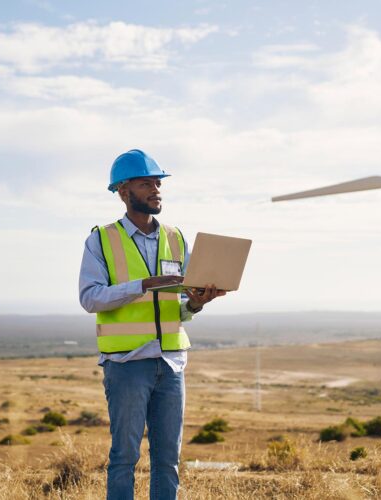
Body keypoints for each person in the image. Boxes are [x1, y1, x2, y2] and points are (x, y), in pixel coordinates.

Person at [79, 149, 225, 500]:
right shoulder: (101, 239)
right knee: (124, 457)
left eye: (158, 183)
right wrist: (143, 285)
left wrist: (196, 302)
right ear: (123, 191)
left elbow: (180, 304)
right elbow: (90, 297)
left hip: (171, 363)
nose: (156, 189)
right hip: (127, 363)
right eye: (147, 183)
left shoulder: (175, 237)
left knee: (168, 461)